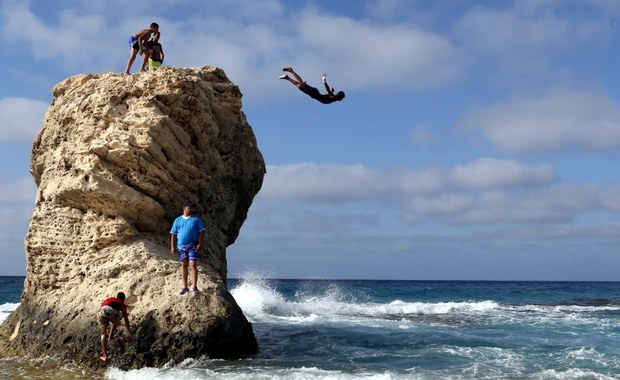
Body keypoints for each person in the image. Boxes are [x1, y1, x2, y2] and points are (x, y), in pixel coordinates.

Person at [170, 200, 206, 295]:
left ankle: (194, 286)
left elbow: (202, 231)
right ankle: (184, 287)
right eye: (190, 207)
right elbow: (173, 234)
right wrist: (172, 246)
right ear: (185, 208)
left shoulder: (196, 219)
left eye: (193, 207)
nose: (192, 209)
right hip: (181, 247)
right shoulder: (177, 220)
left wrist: (201, 243)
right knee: (184, 265)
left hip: (193, 245)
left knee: (193, 264)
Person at [278, 67, 345, 104]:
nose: (342, 99)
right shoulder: (334, 98)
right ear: (340, 97)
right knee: (301, 83)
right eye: (342, 98)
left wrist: (331, 91)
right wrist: (324, 81)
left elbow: (327, 93)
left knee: (299, 86)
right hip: (313, 92)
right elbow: (328, 91)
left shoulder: (332, 97)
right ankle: (291, 70)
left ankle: (287, 78)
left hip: (312, 94)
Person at [98, 292, 132, 363]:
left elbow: (103, 306)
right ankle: (110, 336)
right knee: (116, 319)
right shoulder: (121, 303)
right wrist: (129, 333)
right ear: (123, 299)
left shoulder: (110, 299)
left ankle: (105, 356)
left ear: (116, 297)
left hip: (102, 310)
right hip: (112, 311)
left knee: (103, 332)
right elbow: (126, 318)